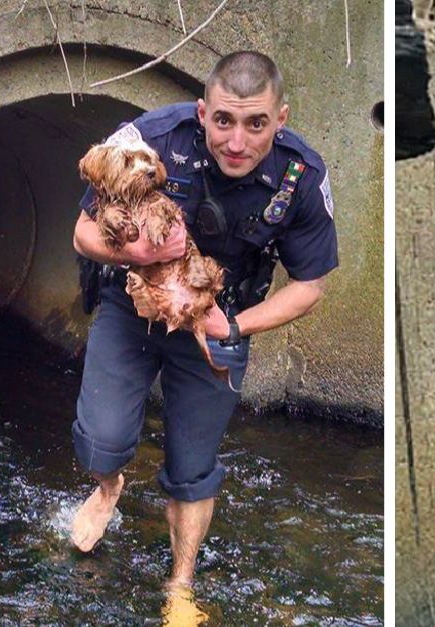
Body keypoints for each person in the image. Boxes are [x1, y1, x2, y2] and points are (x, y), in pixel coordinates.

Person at [69, 51, 338, 596]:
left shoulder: (300, 175)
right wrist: (140, 253)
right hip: (135, 305)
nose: (236, 141)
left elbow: (310, 287)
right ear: (202, 111)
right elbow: (82, 234)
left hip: (219, 316)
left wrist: (233, 329)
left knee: (192, 471)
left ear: (280, 119)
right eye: (223, 121)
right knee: (100, 439)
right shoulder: (150, 139)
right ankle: (107, 487)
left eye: (256, 123)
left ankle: (181, 584)